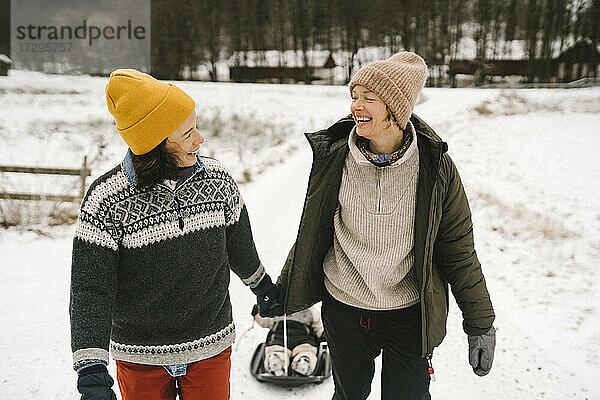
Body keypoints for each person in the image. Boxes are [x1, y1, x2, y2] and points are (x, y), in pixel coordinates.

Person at [274, 52, 496, 400]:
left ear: (395, 108)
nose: (355, 107)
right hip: (345, 309)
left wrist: (480, 323)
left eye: (368, 98)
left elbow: (458, 251)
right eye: (354, 96)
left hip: (408, 314)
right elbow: (313, 234)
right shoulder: (335, 157)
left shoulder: (435, 169)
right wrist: (282, 292)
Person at [70, 69, 282, 400]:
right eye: (188, 133)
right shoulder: (106, 199)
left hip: (210, 345)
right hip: (140, 356)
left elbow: (238, 244)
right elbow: (90, 289)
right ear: (156, 142)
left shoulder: (217, 181)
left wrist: (262, 286)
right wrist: (91, 368)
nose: (200, 139)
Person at [251, 304, 324, 376]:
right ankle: (277, 361)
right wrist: (257, 313)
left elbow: (317, 325)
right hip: (281, 336)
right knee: (277, 348)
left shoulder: (310, 311)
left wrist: (321, 335)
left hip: (301, 338)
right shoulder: (276, 309)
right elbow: (265, 321)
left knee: (306, 350)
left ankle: (304, 361)